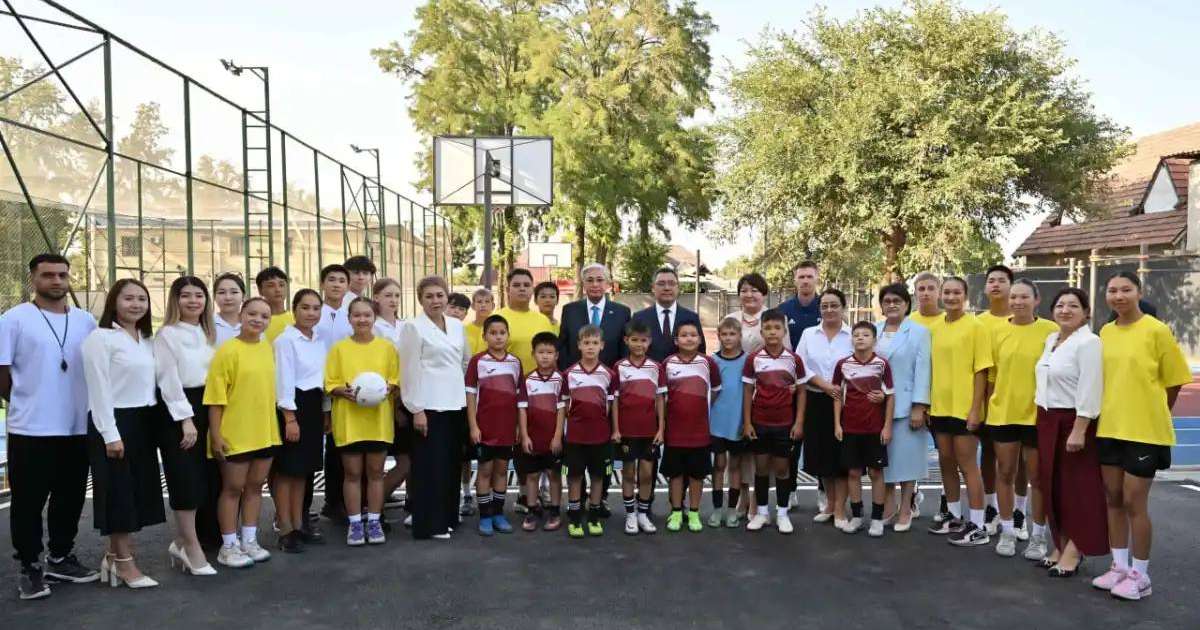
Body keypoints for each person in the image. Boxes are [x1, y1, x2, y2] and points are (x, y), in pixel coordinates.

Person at [1, 254, 99, 599]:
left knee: (70, 497)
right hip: (31, 429)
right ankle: (30, 565)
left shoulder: (86, 320)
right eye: (48, 275)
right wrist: (28, 402)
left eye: (62, 274)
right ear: (33, 280)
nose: (56, 281)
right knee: (28, 502)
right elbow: (3, 372)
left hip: (75, 427)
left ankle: (60, 556)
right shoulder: (14, 319)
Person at [1092, 272, 1191, 600]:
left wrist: (1154, 412)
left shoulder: (1156, 330)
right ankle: (1118, 566)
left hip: (1144, 431)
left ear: (1139, 292)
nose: (1119, 296)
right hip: (1109, 427)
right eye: (1112, 290)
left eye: (1126, 289)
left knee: (1136, 502)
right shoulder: (1105, 332)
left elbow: (1174, 381)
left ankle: (1140, 575)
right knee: (1113, 499)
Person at [82, 278, 166, 588]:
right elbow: (99, 389)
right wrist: (109, 433)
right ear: (114, 303)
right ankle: (124, 563)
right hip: (115, 421)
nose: (136, 304)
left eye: (141, 299)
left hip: (144, 421)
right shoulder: (100, 339)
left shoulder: (146, 340)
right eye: (128, 298)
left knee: (135, 493)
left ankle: (112, 555)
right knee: (118, 494)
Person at [1034, 288, 1107, 576]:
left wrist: (1080, 429)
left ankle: (1075, 550)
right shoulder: (1051, 339)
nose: (1065, 310)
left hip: (1073, 422)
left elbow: (1091, 386)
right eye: (1060, 304)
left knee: (1079, 489)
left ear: (1086, 312)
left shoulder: (1089, 343)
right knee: (1053, 486)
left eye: (1073, 306)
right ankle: (1060, 543)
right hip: (1047, 419)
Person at [204, 297, 281, 568]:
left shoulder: (267, 348)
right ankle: (228, 545)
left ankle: (249, 539)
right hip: (235, 433)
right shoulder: (227, 350)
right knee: (232, 489)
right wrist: (216, 435)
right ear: (242, 315)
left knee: (255, 488)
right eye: (252, 314)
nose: (257, 320)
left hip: (264, 431)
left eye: (264, 316)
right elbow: (215, 398)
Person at [987, 279, 1057, 557]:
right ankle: (1007, 532)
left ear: (1036, 300)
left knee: (1037, 478)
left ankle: (1038, 537)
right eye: (1013, 297)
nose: (1017, 302)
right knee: (1005, 473)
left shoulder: (1051, 331)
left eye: (1024, 297)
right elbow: (991, 375)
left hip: (1038, 415)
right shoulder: (997, 332)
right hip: (1003, 414)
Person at [154, 276, 219, 574]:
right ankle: (191, 548)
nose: (193, 301)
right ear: (175, 300)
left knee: (204, 478)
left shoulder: (209, 333)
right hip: (180, 412)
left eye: (199, 295)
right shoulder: (167, 334)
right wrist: (186, 420)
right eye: (186, 296)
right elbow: (168, 380)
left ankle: (183, 541)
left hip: (208, 407)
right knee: (185, 479)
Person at [400, 276, 471, 540]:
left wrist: (454, 385)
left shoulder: (456, 326)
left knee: (450, 465)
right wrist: (416, 408)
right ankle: (430, 524)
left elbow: (465, 362)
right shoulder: (413, 328)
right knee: (429, 468)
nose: (435, 301)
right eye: (429, 296)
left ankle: (448, 517)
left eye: (440, 295)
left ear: (447, 297)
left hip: (454, 405)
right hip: (427, 407)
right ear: (420, 299)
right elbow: (408, 371)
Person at [326, 298, 400, 546]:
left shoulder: (386, 348)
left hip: (378, 420)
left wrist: (387, 388)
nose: (362, 320)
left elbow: (395, 379)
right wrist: (340, 391)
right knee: (352, 473)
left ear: (374, 318)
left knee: (376, 473)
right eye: (356, 315)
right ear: (349, 319)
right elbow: (330, 382)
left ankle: (375, 520)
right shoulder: (339, 349)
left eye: (367, 315)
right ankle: (355, 523)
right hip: (349, 420)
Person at [927, 276, 993, 547]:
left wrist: (976, 409)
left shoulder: (976, 327)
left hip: (965, 409)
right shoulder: (936, 328)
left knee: (968, 465)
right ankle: (954, 517)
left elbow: (982, 371)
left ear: (965, 296)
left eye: (957, 293)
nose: (952, 297)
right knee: (946, 462)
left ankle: (978, 525)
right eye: (948, 292)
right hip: (940, 407)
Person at [272, 289, 328, 552]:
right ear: (294, 309)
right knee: (287, 472)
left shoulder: (319, 339)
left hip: (314, 407)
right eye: (305, 308)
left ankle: (298, 523)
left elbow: (322, 378)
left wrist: (325, 412)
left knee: (303, 471)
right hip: (294, 407)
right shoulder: (285, 340)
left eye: (316, 308)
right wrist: (289, 418)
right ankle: (285, 529)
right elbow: (283, 380)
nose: (311, 313)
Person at [874, 283, 931, 532]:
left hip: (907, 406)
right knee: (883, 460)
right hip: (876, 406)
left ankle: (906, 507)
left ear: (907, 304)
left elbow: (923, 371)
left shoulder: (919, 332)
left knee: (907, 461)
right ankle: (888, 506)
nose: (892, 305)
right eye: (887, 301)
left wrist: (919, 406)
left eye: (897, 300)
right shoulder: (873, 330)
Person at [742, 309, 805, 534]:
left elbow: (802, 392)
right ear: (761, 332)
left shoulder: (794, 359)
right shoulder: (754, 359)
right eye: (767, 328)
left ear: (784, 331)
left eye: (777, 328)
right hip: (759, 422)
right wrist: (747, 422)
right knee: (760, 468)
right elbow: (748, 390)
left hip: (784, 424)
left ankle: (782, 513)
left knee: (781, 469)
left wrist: (799, 423)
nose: (772, 332)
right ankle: (761, 513)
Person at [795, 289, 853, 527]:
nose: (829, 310)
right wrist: (824, 385)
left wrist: (836, 389)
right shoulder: (809, 334)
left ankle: (840, 509)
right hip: (816, 400)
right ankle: (829, 504)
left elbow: (861, 363)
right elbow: (799, 366)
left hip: (846, 402)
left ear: (843, 307)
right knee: (821, 458)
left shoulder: (852, 334)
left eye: (834, 305)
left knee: (841, 459)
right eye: (825, 306)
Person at [832, 322, 895, 537]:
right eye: (856, 335)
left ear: (874, 340)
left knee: (876, 472)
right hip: (850, 428)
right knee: (853, 472)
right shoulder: (842, 365)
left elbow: (890, 396)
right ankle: (857, 516)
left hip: (874, 429)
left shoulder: (882, 364)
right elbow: (837, 396)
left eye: (865, 335)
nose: (860, 338)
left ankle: (876, 519)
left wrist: (887, 426)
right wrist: (837, 424)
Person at [464, 314, 523, 536]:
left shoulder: (515, 362)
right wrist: (473, 426)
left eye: (502, 333)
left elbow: (520, 399)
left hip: (507, 429)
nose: (498, 337)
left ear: (508, 335)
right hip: (484, 429)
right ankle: (485, 515)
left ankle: (498, 513)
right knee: (485, 471)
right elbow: (470, 396)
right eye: (493, 333)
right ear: (485, 336)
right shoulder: (477, 361)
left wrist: (518, 426)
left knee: (501, 470)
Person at [662, 321, 721, 532]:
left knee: (697, 475)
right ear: (676, 340)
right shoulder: (667, 363)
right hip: (675, 432)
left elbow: (715, 391)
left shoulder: (708, 363)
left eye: (693, 335)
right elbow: (663, 397)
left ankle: (694, 513)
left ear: (699, 339)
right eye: (684, 335)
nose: (689, 338)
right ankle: (677, 512)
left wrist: (699, 410)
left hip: (700, 432)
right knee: (676, 475)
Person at [561, 325, 618, 538]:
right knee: (574, 477)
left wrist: (613, 430)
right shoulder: (569, 374)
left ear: (602, 345)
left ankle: (593, 516)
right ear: (579, 346)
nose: (590, 347)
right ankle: (575, 517)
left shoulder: (609, 375)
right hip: (575, 436)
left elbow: (611, 406)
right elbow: (564, 408)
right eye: (586, 343)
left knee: (597, 477)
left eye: (595, 343)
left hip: (600, 436)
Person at [612, 319, 666, 535]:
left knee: (646, 474)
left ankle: (643, 513)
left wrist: (661, 428)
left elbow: (660, 400)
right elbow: (614, 401)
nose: (638, 344)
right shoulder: (619, 367)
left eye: (643, 341)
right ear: (626, 341)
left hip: (649, 431)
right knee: (628, 473)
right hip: (626, 430)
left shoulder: (656, 367)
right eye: (634, 340)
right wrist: (615, 428)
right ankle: (630, 515)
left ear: (649, 342)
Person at [977, 264, 1015, 538]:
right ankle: (990, 507)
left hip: (1018, 405)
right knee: (988, 455)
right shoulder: (979, 323)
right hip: (987, 402)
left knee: (1018, 464)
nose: (996, 284)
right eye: (991, 280)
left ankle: (1019, 512)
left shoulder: (1026, 320)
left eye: (1002, 280)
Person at [315, 264, 353, 522]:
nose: (337, 284)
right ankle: (328, 501)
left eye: (341, 280)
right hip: (316, 389)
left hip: (346, 390)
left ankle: (340, 501)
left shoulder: (351, 315)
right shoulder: (314, 314)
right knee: (321, 450)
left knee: (342, 447)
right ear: (322, 284)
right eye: (331, 279)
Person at [517, 332, 566, 532]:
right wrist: (525, 435)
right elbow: (522, 409)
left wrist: (557, 437)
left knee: (554, 475)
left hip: (552, 439)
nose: (545, 356)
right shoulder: (527, 380)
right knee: (532, 476)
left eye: (549, 352)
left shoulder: (561, 379)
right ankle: (531, 509)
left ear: (556, 356)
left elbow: (562, 410)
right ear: (533, 354)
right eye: (541, 352)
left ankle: (554, 510)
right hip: (533, 438)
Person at [372, 279, 412, 521]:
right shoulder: (373, 327)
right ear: (376, 297)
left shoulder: (406, 326)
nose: (393, 300)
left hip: (407, 399)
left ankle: (409, 503)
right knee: (387, 462)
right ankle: (372, 504)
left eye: (397, 295)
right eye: (388, 295)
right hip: (384, 401)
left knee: (409, 460)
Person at [710, 317, 749, 528]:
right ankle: (717, 510)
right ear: (718, 336)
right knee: (718, 465)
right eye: (724, 334)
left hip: (737, 422)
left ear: (740, 336)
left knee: (735, 466)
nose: (728, 338)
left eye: (732, 334)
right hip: (716, 422)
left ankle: (732, 510)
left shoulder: (747, 360)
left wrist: (747, 421)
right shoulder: (712, 361)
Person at [558, 263, 631, 369]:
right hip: (576, 377)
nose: (595, 284)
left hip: (610, 376)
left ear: (607, 283)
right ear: (583, 284)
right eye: (590, 280)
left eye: (600, 280)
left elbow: (625, 348)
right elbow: (563, 345)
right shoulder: (570, 310)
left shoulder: (622, 312)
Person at [631, 267, 706, 362]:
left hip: (683, 375)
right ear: (653, 288)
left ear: (678, 287)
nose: (667, 288)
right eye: (661, 284)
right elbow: (632, 353)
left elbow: (701, 352)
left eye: (671, 283)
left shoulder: (691, 317)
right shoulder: (639, 318)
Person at [728, 272, 790, 353]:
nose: (749, 295)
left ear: (764, 295)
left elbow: (787, 351)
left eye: (754, 290)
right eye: (744, 291)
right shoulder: (729, 320)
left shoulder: (779, 318)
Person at [777, 260, 822, 346]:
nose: (805, 281)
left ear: (817, 280)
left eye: (809, 277)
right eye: (801, 277)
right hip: (791, 359)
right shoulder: (782, 310)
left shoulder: (826, 309)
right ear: (795, 280)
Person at [256, 266, 293, 343]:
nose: (278, 290)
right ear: (260, 290)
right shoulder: (255, 322)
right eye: (271, 285)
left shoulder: (297, 320)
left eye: (281, 285)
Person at [212, 273, 246, 345]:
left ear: (243, 296)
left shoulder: (253, 323)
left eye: (234, 292)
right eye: (221, 292)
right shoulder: (207, 325)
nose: (228, 297)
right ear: (214, 297)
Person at [465, 288, 495, 357]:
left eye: (487, 302)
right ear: (473, 306)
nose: (483, 305)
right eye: (479, 302)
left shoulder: (497, 329)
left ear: (493, 306)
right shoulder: (465, 329)